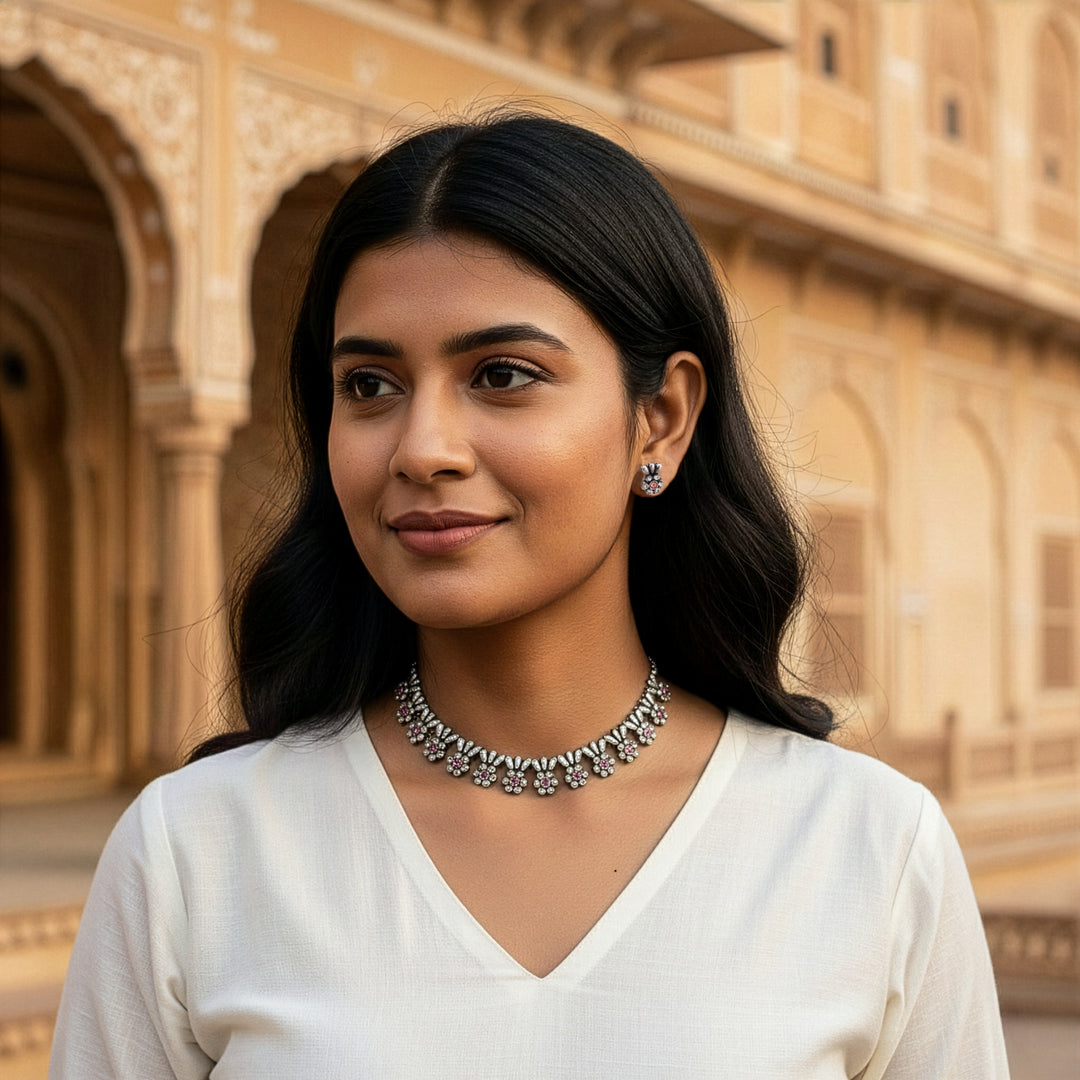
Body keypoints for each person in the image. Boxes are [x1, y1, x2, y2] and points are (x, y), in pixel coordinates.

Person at [50, 109, 1009, 1079]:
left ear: (661, 419)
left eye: (503, 375)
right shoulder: (198, 852)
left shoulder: (865, 851)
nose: (423, 449)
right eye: (371, 386)